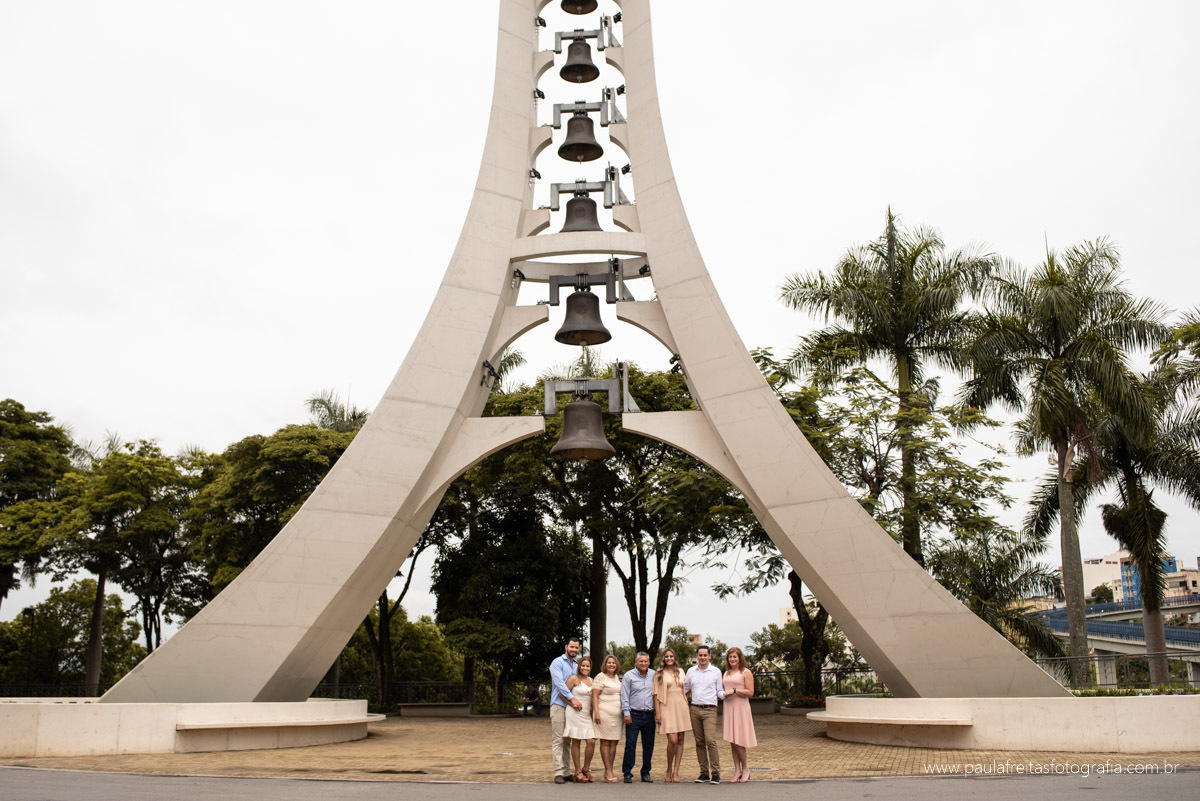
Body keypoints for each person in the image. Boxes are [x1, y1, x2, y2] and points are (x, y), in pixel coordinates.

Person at [684, 644, 725, 784]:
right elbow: (685, 689)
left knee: (710, 740)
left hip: (710, 709)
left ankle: (716, 773)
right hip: (695, 709)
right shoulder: (690, 671)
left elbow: (719, 690)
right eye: (700, 655)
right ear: (697, 656)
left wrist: (727, 695)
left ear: (709, 656)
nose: (702, 658)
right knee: (699, 742)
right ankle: (704, 773)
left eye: (705, 655)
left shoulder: (716, 672)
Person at [721, 646, 758, 782]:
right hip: (729, 707)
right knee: (732, 740)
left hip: (741, 707)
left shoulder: (745, 672)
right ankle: (737, 769)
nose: (732, 659)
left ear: (739, 658)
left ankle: (746, 768)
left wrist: (735, 691)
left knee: (739, 740)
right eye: (730, 657)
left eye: (734, 657)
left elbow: (750, 692)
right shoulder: (726, 673)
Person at [652, 648, 689, 783]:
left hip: (681, 707)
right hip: (666, 707)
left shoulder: (681, 671)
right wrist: (658, 712)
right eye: (667, 656)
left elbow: (687, 688)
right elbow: (655, 694)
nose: (669, 659)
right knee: (672, 740)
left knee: (680, 740)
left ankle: (676, 772)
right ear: (663, 658)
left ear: (675, 658)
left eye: (671, 656)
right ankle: (668, 769)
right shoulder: (659, 674)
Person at [620, 651, 656, 783]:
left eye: (646, 661)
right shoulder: (628, 676)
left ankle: (646, 772)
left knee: (648, 745)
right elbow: (624, 695)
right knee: (630, 744)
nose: (643, 663)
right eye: (641, 661)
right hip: (634, 714)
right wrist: (626, 713)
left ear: (649, 662)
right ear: (636, 662)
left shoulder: (654, 674)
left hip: (649, 715)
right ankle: (627, 773)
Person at [549, 638, 581, 784]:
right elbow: (559, 683)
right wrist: (572, 698)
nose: (574, 650)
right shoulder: (557, 663)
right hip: (558, 705)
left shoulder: (576, 665)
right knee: (558, 739)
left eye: (576, 648)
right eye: (571, 647)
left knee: (568, 739)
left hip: (570, 708)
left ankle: (567, 771)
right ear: (566, 647)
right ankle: (558, 772)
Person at [591, 654, 623, 783]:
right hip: (603, 713)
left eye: (613, 663)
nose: (611, 665)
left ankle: (609, 769)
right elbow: (595, 696)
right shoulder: (600, 677)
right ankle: (608, 770)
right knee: (605, 742)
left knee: (614, 742)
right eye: (609, 663)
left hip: (617, 716)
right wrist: (596, 713)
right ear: (605, 664)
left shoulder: (616, 678)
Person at [564, 656, 597, 782]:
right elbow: (562, 694)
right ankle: (577, 771)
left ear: (590, 668)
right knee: (576, 741)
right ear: (579, 667)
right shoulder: (574, 679)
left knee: (591, 742)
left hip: (587, 715)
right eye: (583, 665)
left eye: (587, 666)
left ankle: (586, 768)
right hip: (574, 713)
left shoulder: (592, 680)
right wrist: (572, 702)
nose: (585, 668)